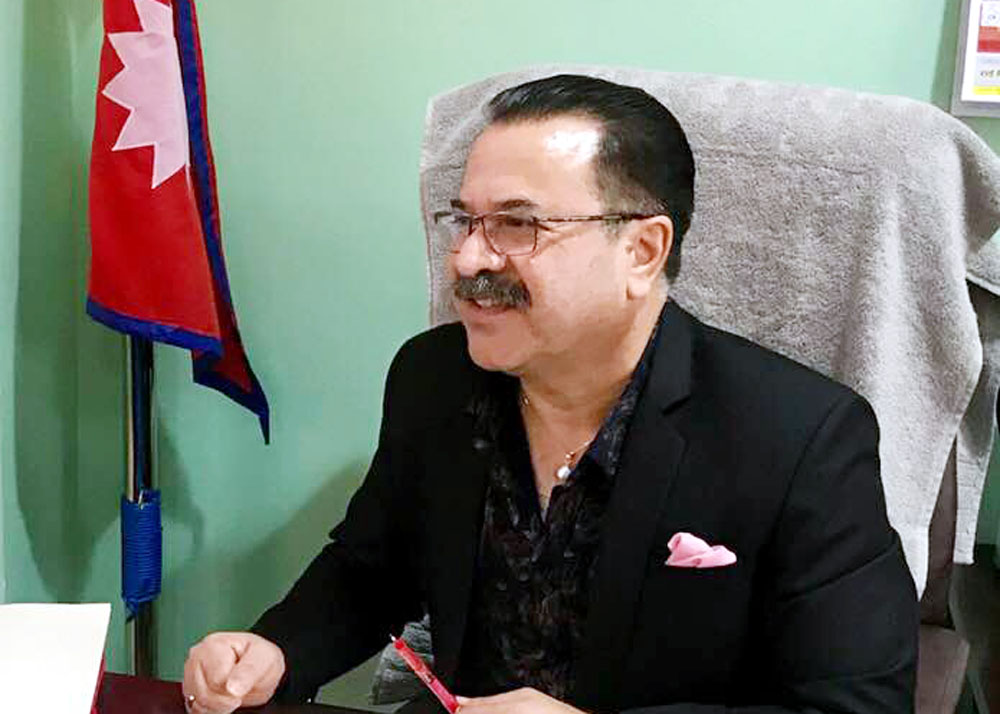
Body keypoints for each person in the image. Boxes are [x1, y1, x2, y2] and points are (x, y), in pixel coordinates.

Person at [182, 74, 918, 714]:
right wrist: (276, 649)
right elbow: (373, 569)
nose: (467, 258)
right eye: (464, 220)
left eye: (517, 225)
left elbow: (857, 706)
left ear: (642, 250)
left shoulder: (800, 437)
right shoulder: (432, 378)